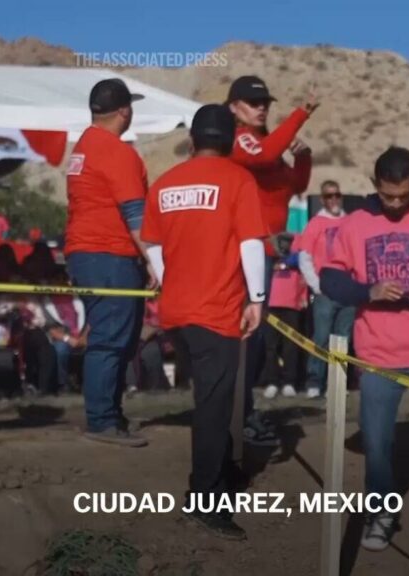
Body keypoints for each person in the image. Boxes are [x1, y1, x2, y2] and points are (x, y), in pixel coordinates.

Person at [142, 103, 268, 540]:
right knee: (214, 406)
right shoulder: (238, 179)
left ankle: (221, 474)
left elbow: (152, 245)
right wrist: (257, 297)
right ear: (230, 141)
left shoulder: (164, 183)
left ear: (192, 141)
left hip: (177, 308)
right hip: (217, 310)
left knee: (210, 398)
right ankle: (205, 497)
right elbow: (251, 242)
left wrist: (166, 278)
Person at [320, 147, 409, 550]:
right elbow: (329, 280)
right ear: (375, 184)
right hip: (378, 354)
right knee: (377, 444)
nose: (396, 204)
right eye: (389, 195)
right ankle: (382, 509)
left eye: (404, 195)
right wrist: (368, 290)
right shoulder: (355, 223)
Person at [227, 75, 317, 444]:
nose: (261, 106)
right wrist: (301, 113)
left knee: (256, 338)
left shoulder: (265, 143)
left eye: (264, 101)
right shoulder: (242, 139)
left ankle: (241, 412)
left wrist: (305, 157)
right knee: (248, 338)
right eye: (251, 101)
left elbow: (294, 186)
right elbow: (261, 157)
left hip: (265, 250)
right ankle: (237, 417)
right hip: (246, 249)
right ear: (233, 107)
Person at [65, 78, 154, 447]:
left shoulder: (84, 147)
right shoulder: (117, 152)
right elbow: (135, 212)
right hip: (110, 253)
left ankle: (109, 414)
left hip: (87, 251)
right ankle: (102, 420)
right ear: (124, 111)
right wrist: (153, 259)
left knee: (115, 335)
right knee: (111, 337)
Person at [296, 180, 354, 399]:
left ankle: (337, 383)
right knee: (321, 336)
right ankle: (314, 380)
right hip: (325, 291)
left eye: (337, 195)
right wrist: (316, 285)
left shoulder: (351, 221)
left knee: (343, 339)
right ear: (322, 199)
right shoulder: (316, 223)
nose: (333, 200)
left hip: (348, 289)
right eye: (329, 196)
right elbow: (304, 256)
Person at [261, 235, 307, 399]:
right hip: (271, 306)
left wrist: (303, 297)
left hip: (291, 306)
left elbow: (303, 278)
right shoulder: (268, 257)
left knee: (291, 346)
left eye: (288, 242)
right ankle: (272, 382)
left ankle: (289, 382)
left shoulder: (297, 257)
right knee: (271, 347)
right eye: (281, 242)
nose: (284, 245)